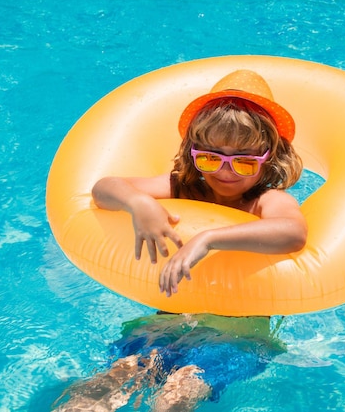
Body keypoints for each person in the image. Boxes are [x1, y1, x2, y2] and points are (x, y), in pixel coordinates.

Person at [52, 70, 306, 411]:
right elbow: (103, 189)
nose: (225, 171)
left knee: (180, 392)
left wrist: (208, 239)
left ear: (269, 158)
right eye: (210, 158)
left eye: (244, 162)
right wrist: (139, 203)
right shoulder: (182, 187)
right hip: (169, 321)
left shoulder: (266, 200)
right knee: (113, 379)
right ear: (193, 153)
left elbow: (293, 233)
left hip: (240, 334)